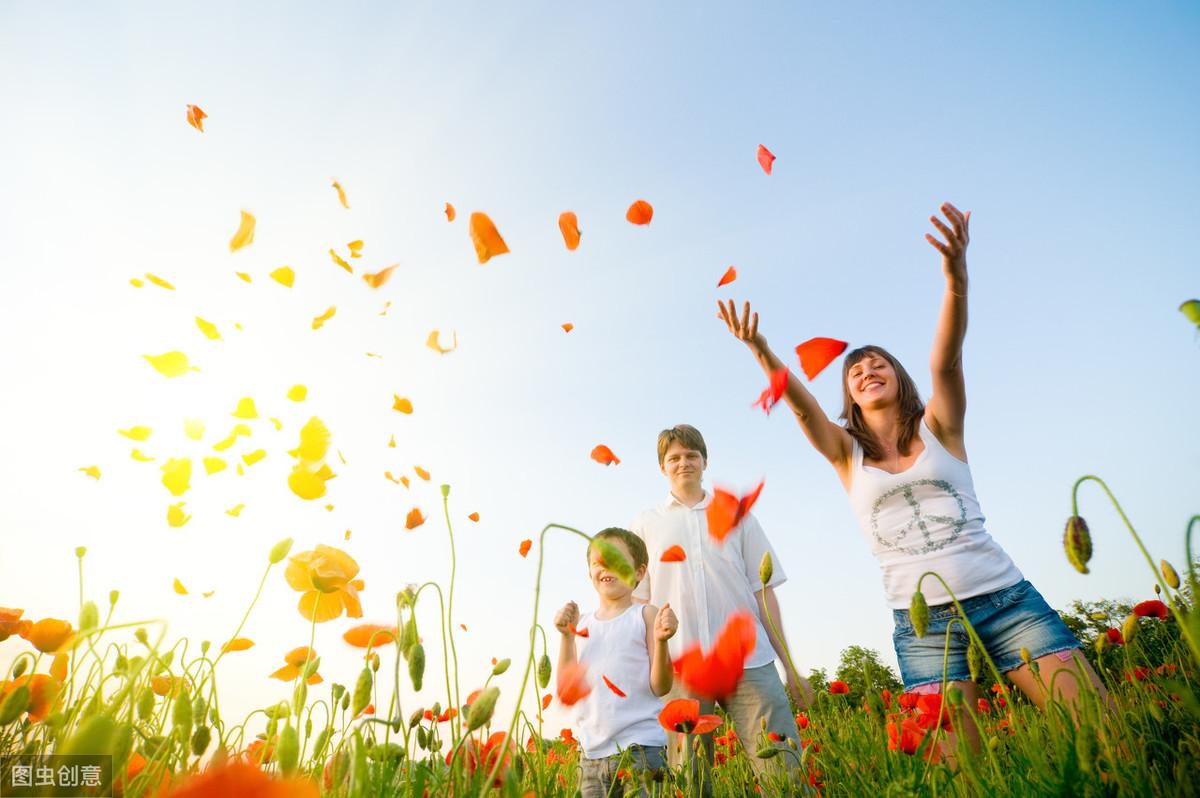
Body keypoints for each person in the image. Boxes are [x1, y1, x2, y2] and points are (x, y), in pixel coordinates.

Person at [717, 202, 1107, 747]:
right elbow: (803, 408)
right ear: (850, 395)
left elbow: (946, 363)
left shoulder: (942, 427)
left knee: (1102, 732)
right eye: (855, 370)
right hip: (923, 626)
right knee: (959, 771)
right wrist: (760, 349)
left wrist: (956, 281)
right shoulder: (843, 454)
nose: (866, 370)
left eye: (878, 363)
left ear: (897, 377)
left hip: (1007, 601)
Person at [630, 424, 811, 786]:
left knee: (784, 772)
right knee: (690, 780)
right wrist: (645, 675)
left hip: (750, 662)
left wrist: (791, 667)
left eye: (691, 456)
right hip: (682, 667)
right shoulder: (645, 525)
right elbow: (639, 605)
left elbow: (764, 592)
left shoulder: (737, 515)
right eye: (674, 458)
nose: (684, 463)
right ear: (662, 467)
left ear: (705, 461)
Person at [555, 527, 678, 798]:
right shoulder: (582, 624)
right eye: (598, 562)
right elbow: (567, 689)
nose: (605, 567)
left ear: (639, 572)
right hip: (591, 756)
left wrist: (661, 641)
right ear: (590, 574)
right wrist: (566, 637)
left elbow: (661, 686)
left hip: (642, 751)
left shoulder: (645, 615)